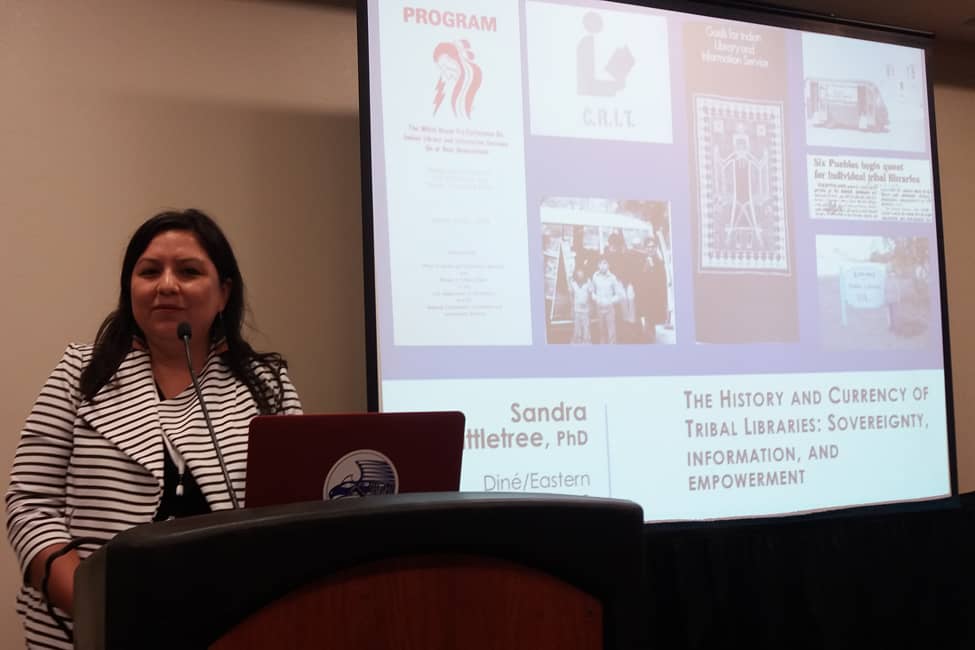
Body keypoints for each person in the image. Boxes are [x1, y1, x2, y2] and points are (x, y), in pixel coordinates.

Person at [5, 209, 302, 648]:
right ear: (130, 289)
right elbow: (29, 504)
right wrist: (94, 606)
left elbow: (293, 514)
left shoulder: (267, 386)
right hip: (90, 627)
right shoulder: (78, 372)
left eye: (188, 271)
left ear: (223, 293)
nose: (166, 285)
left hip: (230, 627)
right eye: (149, 271)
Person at [568, 267, 593, 344]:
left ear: (584, 273)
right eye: (578, 273)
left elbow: (590, 295)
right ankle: (577, 344)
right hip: (576, 310)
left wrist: (591, 307)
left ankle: (586, 343)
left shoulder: (588, 282)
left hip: (586, 310)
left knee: (586, 329)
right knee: (577, 329)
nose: (580, 274)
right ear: (576, 274)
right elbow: (571, 296)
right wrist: (572, 309)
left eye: (581, 272)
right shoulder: (573, 283)